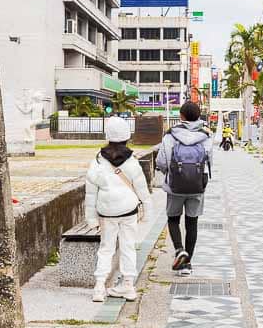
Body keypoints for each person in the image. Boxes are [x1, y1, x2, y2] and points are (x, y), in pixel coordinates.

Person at [84, 117, 154, 302]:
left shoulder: (97, 162)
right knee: (128, 247)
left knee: (106, 249)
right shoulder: (132, 162)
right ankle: (128, 285)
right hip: (128, 212)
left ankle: (99, 287)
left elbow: (90, 194)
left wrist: (91, 219)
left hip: (106, 213)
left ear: (107, 136)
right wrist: (147, 210)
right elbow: (142, 189)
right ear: (127, 136)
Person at [156, 101, 213, 276]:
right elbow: (209, 162)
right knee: (192, 222)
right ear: (198, 116)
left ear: (181, 116)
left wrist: (172, 173)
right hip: (197, 186)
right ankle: (187, 265)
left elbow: (161, 162)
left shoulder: (170, 136)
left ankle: (180, 250)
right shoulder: (206, 136)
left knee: (173, 219)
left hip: (175, 186)